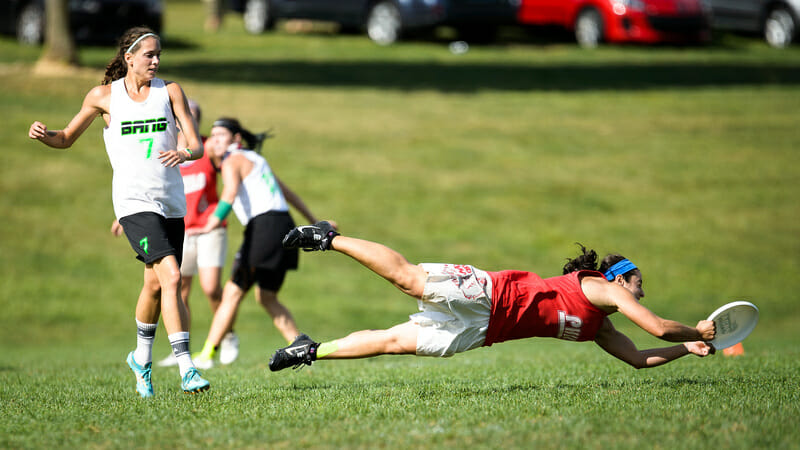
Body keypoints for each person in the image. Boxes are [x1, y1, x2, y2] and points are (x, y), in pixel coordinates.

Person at [28, 27, 210, 396]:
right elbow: (65, 138)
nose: (156, 61)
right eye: (149, 55)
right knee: (173, 276)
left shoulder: (170, 92)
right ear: (129, 58)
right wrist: (44, 134)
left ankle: (140, 359)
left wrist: (184, 153)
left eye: (159, 55)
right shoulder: (103, 97)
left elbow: (197, 146)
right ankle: (187, 368)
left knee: (156, 284)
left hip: (172, 204)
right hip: (133, 205)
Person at [268, 223, 716, 371]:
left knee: (392, 342)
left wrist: (686, 346)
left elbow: (638, 357)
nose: (641, 290)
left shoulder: (601, 324)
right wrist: (695, 327)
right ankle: (329, 239)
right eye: (638, 282)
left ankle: (309, 349)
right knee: (408, 279)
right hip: (490, 292)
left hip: (485, 330)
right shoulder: (598, 287)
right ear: (620, 279)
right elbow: (655, 324)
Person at [190, 117, 330, 369]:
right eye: (212, 136)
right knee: (267, 296)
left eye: (221, 135)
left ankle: (207, 354)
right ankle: (301, 348)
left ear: (236, 139)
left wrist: (211, 223)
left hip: (263, 229)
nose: (214, 140)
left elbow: (229, 193)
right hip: (286, 227)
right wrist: (315, 221)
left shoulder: (233, 160)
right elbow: (286, 193)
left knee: (232, 292)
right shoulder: (258, 159)